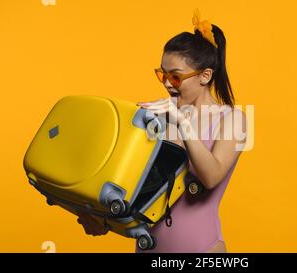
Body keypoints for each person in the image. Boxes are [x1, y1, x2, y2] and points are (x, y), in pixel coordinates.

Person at [78, 9, 247, 253]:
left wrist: (182, 122)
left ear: (205, 76)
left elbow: (211, 176)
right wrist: (102, 218)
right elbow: (136, 189)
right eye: (163, 75)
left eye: (176, 77)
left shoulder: (233, 120)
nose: (167, 83)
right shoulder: (159, 117)